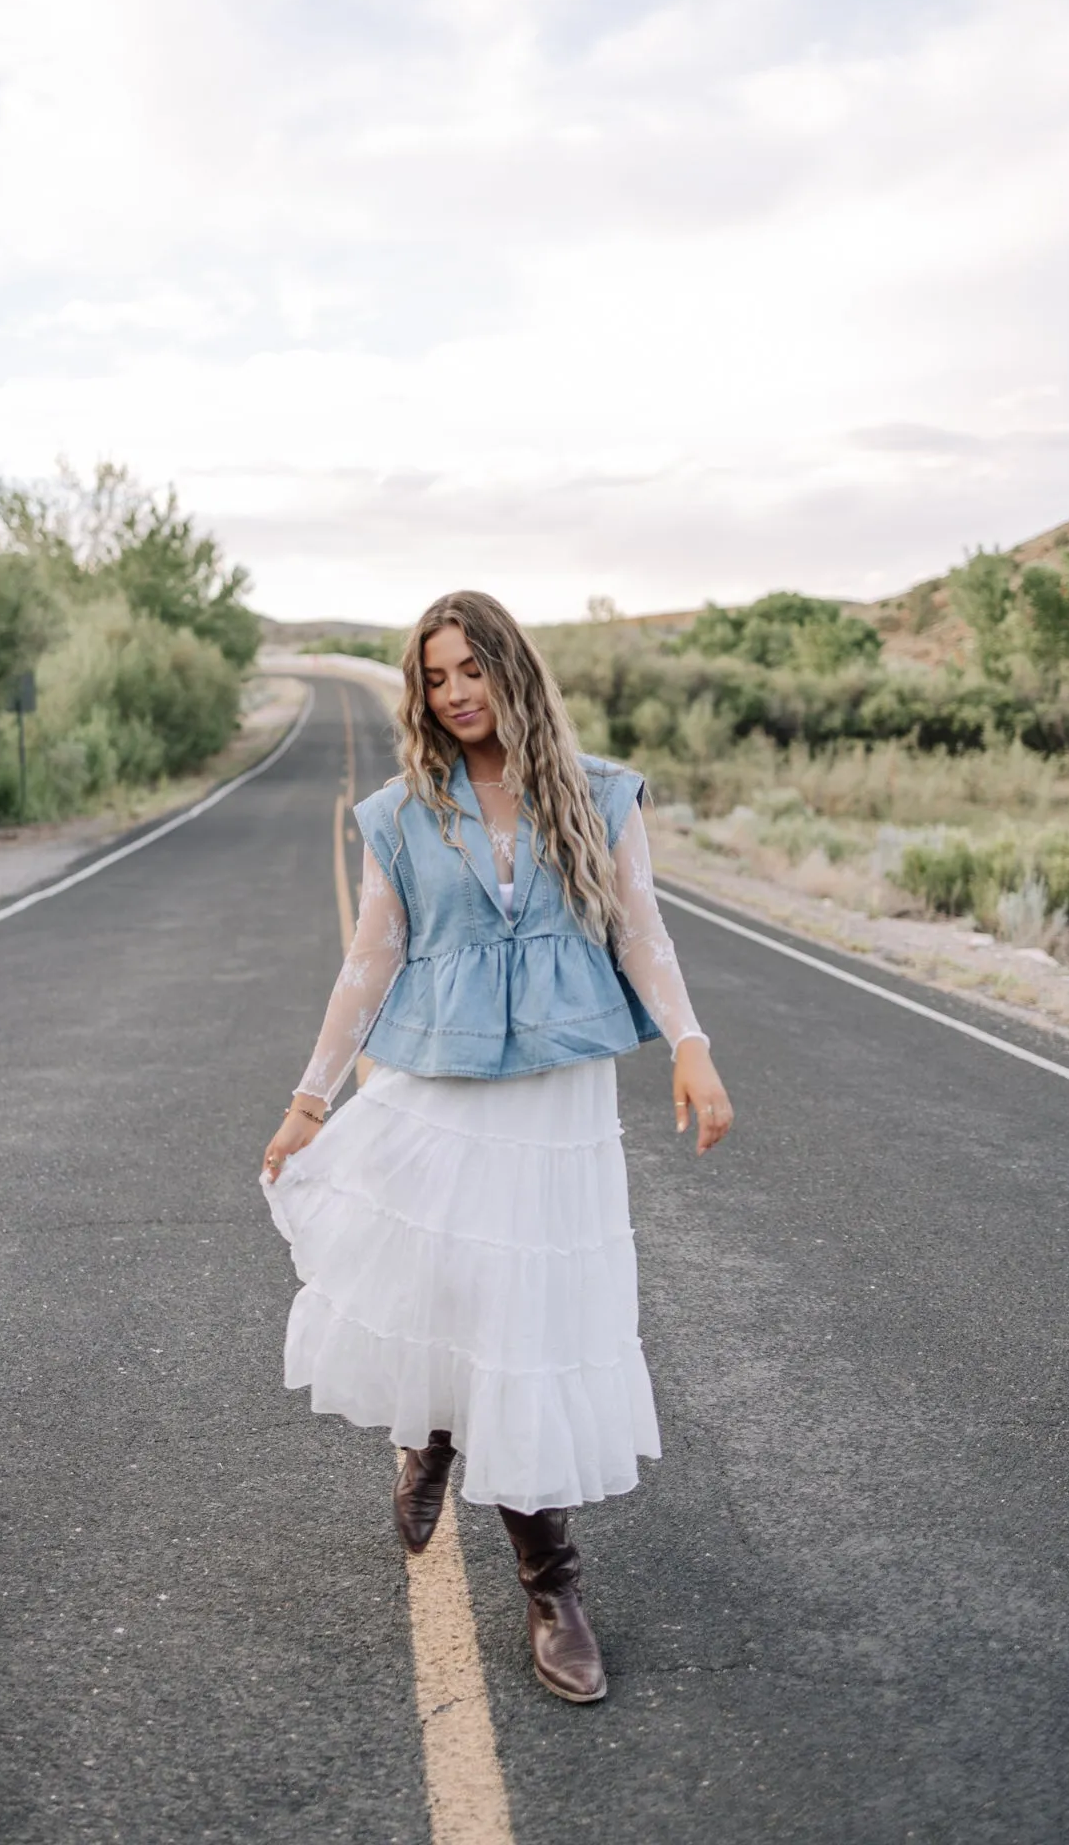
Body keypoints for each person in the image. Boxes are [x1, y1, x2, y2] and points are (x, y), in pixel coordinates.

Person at [261, 590, 733, 1704]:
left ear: (509, 667)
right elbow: (368, 961)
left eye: (470, 666)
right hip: (440, 1077)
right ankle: (431, 1427)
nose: (454, 692)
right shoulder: (402, 812)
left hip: (557, 1097)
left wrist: (691, 1045)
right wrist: (308, 1097)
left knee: (526, 1318)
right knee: (440, 1274)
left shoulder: (597, 792)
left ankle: (550, 1583)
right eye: (433, 676)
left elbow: (639, 929)